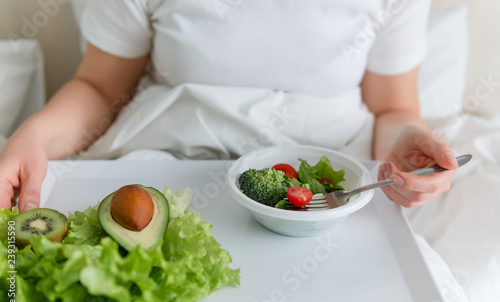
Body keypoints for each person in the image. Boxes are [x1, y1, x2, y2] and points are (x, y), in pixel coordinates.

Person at [0, 0, 458, 212]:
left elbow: (393, 108)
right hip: (166, 168)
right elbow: (100, 88)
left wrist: (404, 148)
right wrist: (35, 137)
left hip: (329, 190)